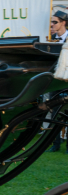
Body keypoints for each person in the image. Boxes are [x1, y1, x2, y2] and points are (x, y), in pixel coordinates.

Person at [47, 10, 68, 153]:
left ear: (63, 23)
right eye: (52, 22)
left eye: (55, 22)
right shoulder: (50, 39)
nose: (52, 25)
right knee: (55, 112)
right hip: (55, 81)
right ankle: (55, 144)